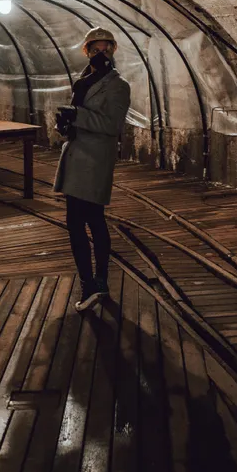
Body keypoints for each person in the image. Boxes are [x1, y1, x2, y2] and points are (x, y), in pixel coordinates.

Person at [54, 27, 131, 311]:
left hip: (95, 161)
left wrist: (78, 116)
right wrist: (64, 122)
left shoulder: (118, 86)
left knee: (85, 220)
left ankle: (93, 283)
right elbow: (79, 115)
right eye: (95, 50)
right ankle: (95, 283)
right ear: (87, 52)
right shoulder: (83, 82)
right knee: (82, 221)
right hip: (78, 158)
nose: (102, 54)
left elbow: (112, 126)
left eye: (106, 49)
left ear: (113, 51)